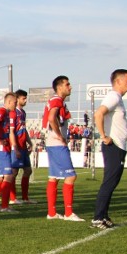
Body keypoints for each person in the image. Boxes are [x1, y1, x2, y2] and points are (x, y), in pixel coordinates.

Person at [93, 69, 127, 229]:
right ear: (118, 81)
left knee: (112, 182)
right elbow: (99, 113)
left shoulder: (118, 98)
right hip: (113, 146)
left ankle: (103, 216)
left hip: (118, 146)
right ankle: (97, 218)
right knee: (109, 182)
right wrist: (103, 136)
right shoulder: (113, 96)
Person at [42, 75, 84, 221]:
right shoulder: (56, 100)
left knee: (53, 177)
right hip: (56, 143)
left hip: (51, 143)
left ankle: (52, 213)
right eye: (67, 84)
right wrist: (60, 136)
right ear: (59, 87)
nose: (70, 87)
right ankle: (68, 213)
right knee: (71, 176)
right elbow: (51, 118)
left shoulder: (58, 101)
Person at [10, 89, 36, 204]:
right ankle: (12, 198)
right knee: (13, 172)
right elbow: (12, 131)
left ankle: (25, 198)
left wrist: (29, 142)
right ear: (17, 99)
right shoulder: (13, 112)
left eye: (26, 98)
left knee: (28, 170)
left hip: (23, 146)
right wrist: (14, 147)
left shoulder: (23, 113)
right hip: (16, 147)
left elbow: (23, 130)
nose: (25, 100)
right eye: (23, 98)